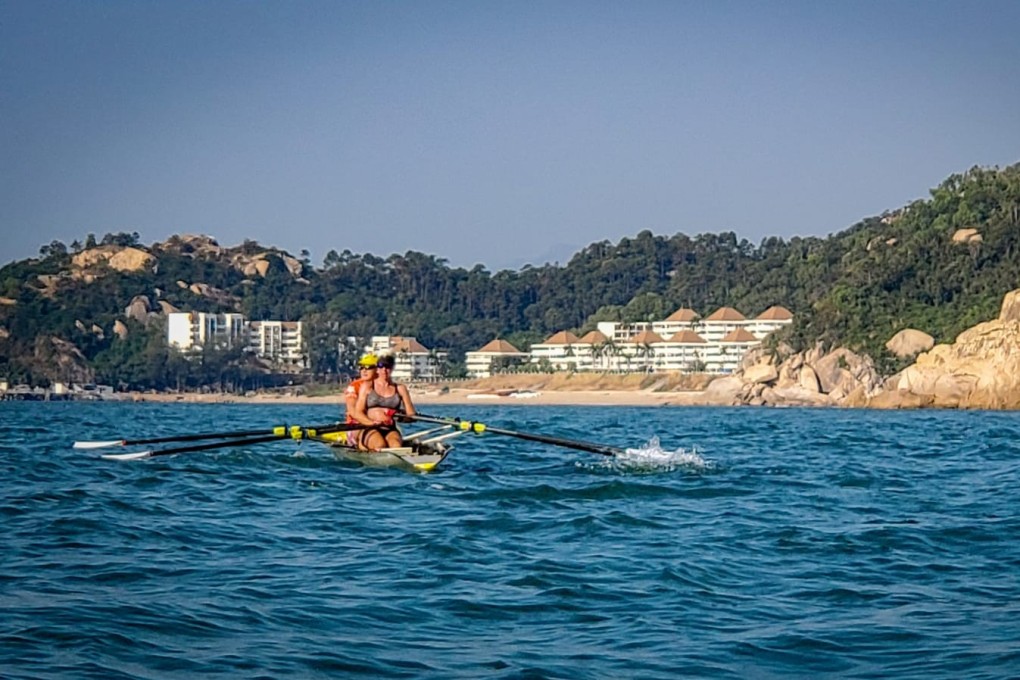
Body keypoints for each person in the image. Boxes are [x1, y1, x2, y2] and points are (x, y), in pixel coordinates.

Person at [350, 352, 417, 450]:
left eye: (388, 367)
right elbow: (358, 412)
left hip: (390, 429)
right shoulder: (368, 386)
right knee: (380, 445)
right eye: (381, 367)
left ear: (392, 369)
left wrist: (399, 417)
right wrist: (371, 422)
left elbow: (411, 414)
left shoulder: (400, 389)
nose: (384, 370)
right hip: (370, 428)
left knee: (396, 446)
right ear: (377, 368)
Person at [341, 353, 378, 448]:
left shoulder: (383, 386)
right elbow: (353, 412)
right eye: (361, 367)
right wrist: (371, 423)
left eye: (369, 367)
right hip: (356, 426)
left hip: (379, 425)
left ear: (377, 370)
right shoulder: (353, 387)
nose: (364, 370)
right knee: (377, 440)